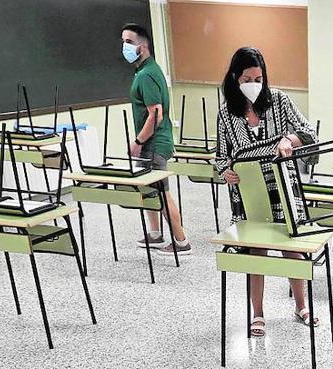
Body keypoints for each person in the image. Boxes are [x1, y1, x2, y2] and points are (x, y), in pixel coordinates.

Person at [213, 46, 318, 338]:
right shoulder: (226, 114)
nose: (253, 84)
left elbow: (310, 133)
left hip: (282, 188)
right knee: (255, 251)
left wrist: (288, 139)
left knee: (290, 248)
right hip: (249, 193)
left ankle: (301, 306)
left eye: (258, 78)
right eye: (247, 79)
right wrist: (226, 171)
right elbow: (221, 155)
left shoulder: (280, 101)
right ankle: (257, 313)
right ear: (235, 78)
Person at [121, 23, 191, 255]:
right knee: (149, 189)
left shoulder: (147, 75)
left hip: (153, 143)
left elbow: (156, 114)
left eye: (129, 42)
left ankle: (181, 242)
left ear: (143, 46)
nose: (125, 47)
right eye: (123, 42)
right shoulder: (146, 71)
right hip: (152, 143)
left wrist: (138, 141)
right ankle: (155, 234)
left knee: (161, 192)